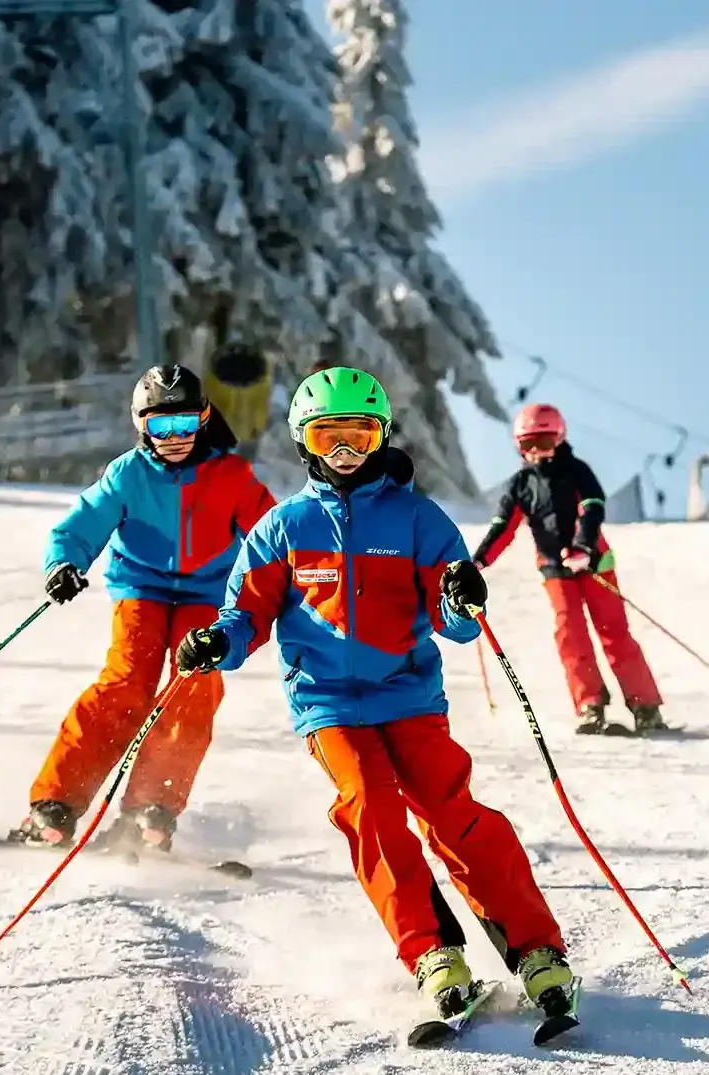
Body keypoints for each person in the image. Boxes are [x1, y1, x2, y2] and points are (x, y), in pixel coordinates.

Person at [171, 367, 578, 1022]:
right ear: (305, 442)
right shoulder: (285, 527)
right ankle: (432, 952)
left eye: (359, 436)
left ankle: (536, 949)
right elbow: (245, 612)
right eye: (329, 437)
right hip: (327, 701)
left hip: (409, 694)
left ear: (381, 437)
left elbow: (456, 617)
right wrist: (219, 640)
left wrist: (461, 597)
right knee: (371, 806)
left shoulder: (417, 519)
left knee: (453, 814)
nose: (345, 453)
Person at [8, 363, 276, 853]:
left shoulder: (231, 476)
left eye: (184, 424)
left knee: (192, 683)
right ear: (141, 426)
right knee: (127, 681)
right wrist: (63, 564)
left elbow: (272, 534)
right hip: (142, 588)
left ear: (204, 418)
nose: (174, 438)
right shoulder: (127, 475)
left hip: (206, 594)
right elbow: (80, 525)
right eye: (160, 426)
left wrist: (286, 582)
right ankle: (57, 803)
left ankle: (152, 807)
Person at [472, 403, 666, 737]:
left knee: (613, 631)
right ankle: (589, 703)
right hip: (554, 568)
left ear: (559, 439)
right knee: (570, 632)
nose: (537, 453)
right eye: (528, 445)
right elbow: (503, 527)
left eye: (544, 443)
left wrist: (582, 546)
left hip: (592, 563)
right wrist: (478, 562)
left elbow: (592, 508)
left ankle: (645, 705)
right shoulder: (521, 484)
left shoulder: (576, 471)